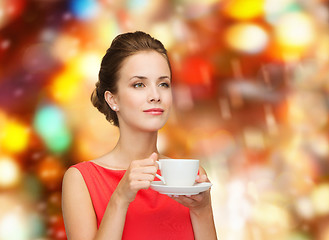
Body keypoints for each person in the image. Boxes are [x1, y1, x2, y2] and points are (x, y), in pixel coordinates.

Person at [62, 31, 217, 240]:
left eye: (163, 84)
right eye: (139, 84)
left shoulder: (189, 179)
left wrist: (202, 209)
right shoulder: (81, 180)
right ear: (112, 99)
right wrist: (120, 198)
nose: (155, 96)